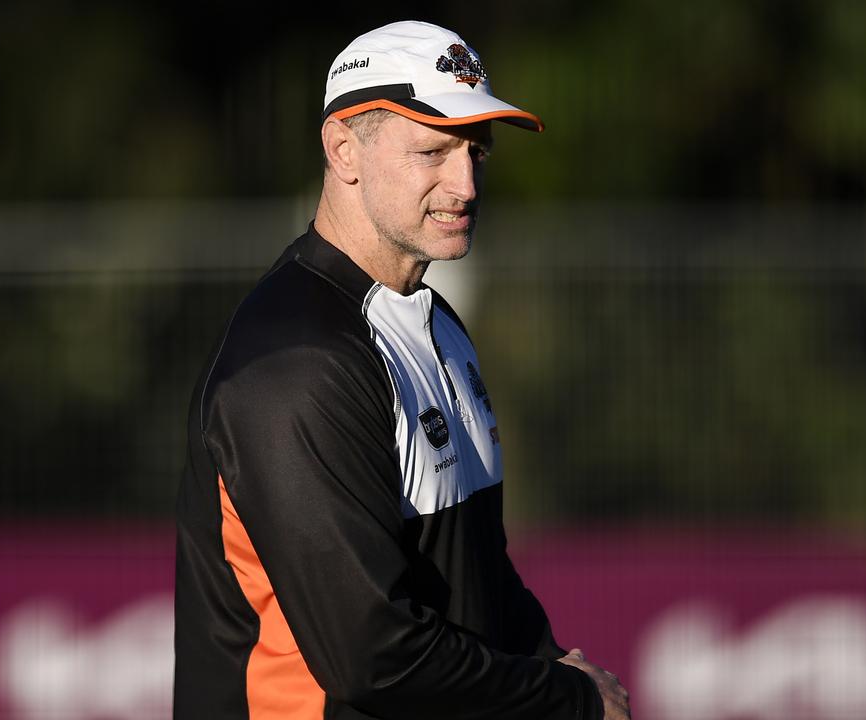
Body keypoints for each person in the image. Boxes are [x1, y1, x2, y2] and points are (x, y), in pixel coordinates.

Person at [173, 19, 630, 720]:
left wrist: (546, 661)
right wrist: (564, 699)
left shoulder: (435, 323)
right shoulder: (296, 362)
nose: (467, 182)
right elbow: (372, 656)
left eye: (477, 150)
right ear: (343, 150)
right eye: (433, 151)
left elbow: (477, 574)